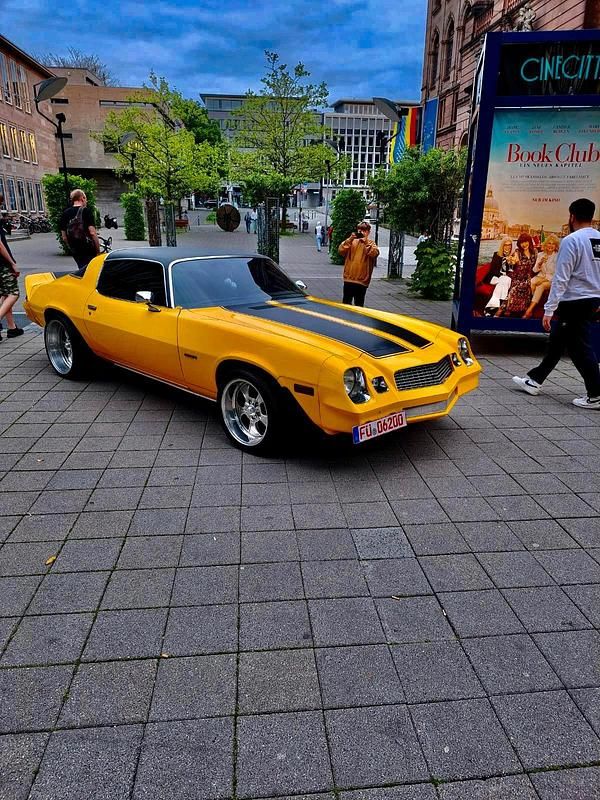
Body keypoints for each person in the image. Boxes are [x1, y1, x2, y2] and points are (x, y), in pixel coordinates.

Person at [512, 198, 600, 409]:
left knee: (580, 348)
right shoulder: (598, 239)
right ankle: (535, 380)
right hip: (592, 299)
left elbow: (561, 278)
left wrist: (549, 309)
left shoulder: (571, 241)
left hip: (574, 301)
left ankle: (596, 395)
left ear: (571, 216)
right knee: (557, 342)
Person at [338, 221, 380, 306]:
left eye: (364, 230)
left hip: (362, 281)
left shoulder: (371, 243)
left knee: (359, 304)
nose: (361, 232)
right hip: (349, 279)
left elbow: (374, 253)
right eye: (359, 229)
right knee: (346, 304)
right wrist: (350, 239)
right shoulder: (352, 241)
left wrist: (365, 242)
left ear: (368, 232)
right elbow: (341, 250)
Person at [0, 193, 23, 341]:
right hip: (2, 263)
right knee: (14, 293)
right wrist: (12, 263)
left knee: (4, 293)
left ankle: (11, 327)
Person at [496, 233, 536, 317]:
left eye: (526, 242)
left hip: (527, 276)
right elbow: (515, 264)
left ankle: (506, 309)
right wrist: (513, 262)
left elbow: (535, 268)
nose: (524, 244)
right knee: (516, 287)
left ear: (529, 241)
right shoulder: (518, 252)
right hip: (517, 275)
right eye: (522, 242)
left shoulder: (534, 252)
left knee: (525, 285)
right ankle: (501, 310)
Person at [60, 189, 100, 269]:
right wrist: (98, 250)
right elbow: (92, 233)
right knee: (91, 270)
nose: (86, 201)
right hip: (88, 248)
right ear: (82, 198)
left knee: (82, 268)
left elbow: (64, 237)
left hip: (75, 249)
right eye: (86, 198)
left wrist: (72, 247)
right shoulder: (86, 211)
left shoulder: (65, 213)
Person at [523, 234, 559, 318]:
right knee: (531, 282)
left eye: (553, 244)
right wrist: (540, 263)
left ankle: (529, 310)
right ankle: (528, 304)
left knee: (540, 286)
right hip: (541, 275)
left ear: (556, 246)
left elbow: (558, 273)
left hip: (552, 279)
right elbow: (534, 270)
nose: (550, 245)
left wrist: (543, 280)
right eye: (549, 243)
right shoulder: (540, 255)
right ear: (546, 245)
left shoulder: (558, 256)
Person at [480, 238, 514, 315]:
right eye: (505, 245)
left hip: (506, 279)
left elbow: (511, 273)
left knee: (504, 280)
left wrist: (510, 263)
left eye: (509, 245)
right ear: (502, 246)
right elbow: (493, 270)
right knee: (503, 280)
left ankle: (490, 309)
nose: (507, 247)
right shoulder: (497, 255)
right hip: (495, 277)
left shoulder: (513, 257)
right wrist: (501, 275)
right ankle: (500, 306)